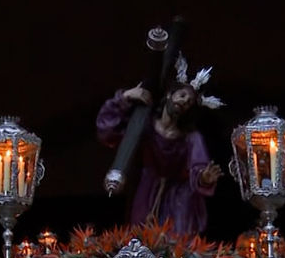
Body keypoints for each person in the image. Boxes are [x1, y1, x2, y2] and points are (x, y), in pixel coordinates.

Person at [96, 55, 224, 234]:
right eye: (182, 95)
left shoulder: (190, 138)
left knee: (177, 246)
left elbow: (199, 166)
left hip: (179, 200)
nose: (183, 102)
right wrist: (125, 96)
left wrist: (204, 178)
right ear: (170, 95)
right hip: (147, 192)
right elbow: (109, 131)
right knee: (142, 241)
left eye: (189, 102)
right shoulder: (144, 125)